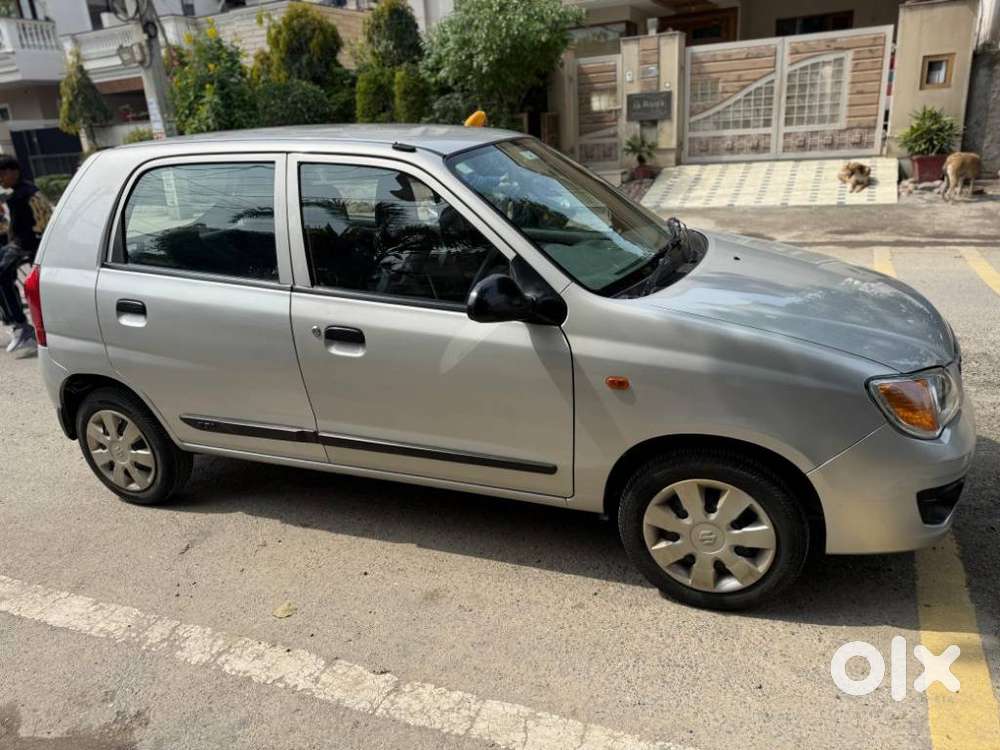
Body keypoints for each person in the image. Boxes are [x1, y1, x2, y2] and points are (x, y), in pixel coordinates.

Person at [0, 156, 53, 355]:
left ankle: (20, 326)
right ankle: (16, 322)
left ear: (13, 172)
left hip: (27, 245)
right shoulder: (21, 192)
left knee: (2, 275)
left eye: (2, 175)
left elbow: (42, 223)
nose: (1, 180)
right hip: (21, 243)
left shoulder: (25, 195)